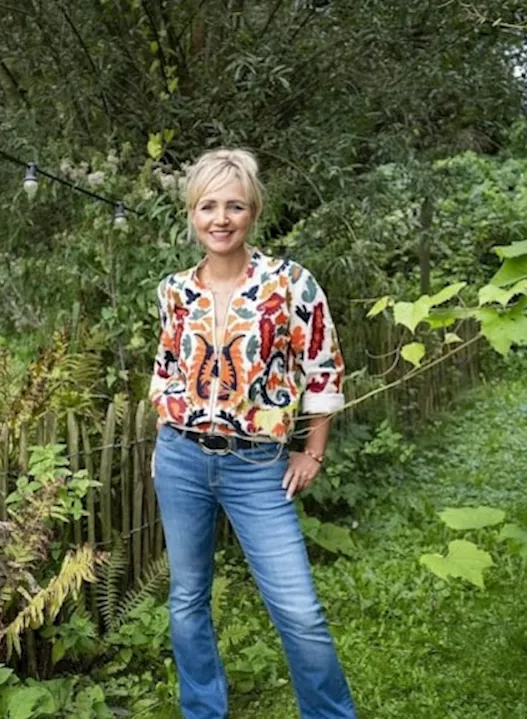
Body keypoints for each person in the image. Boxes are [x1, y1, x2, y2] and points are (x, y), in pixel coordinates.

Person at [148, 148, 356, 719]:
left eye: (233, 206)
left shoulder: (289, 284)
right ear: (192, 214)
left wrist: (313, 450)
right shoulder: (174, 291)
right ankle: (202, 711)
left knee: (298, 608)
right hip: (181, 459)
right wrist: (163, 437)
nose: (221, 219)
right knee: (187, 597)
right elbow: (166, 367)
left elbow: (323, 366)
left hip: (258, 465)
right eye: (208, 206)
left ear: (252, 212)